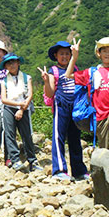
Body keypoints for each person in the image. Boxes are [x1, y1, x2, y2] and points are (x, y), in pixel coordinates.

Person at [66, 37, 109, 149]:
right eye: (104, 51)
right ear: (99, 53)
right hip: (99, 114)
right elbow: (68, 75)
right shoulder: (92, 72)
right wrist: (74, 57)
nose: (108, 54)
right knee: (104, 146)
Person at [39, 41, 88, 180]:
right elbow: (50, 93)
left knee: (75, 138)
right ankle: (59, 170)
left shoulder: (75, 68)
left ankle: (79, 171)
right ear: (56, 55)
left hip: (75, 107)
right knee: (58, 137)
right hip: (61, 106)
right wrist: (46, 81)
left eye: (67, 53)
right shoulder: (53, 71)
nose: (65, 56)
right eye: (62, 54)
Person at [0, 53, 43, 172]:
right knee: (9, 134)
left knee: (27, 134)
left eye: (14, 62)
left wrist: (21, 109)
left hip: (24, 107)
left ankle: (32, 160)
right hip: (9, 107)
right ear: (6, 66)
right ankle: (15, 160)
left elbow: (30, 95)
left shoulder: (26, 77)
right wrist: (19, 106)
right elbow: (3, 98)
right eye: (9, 63)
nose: (12, 65)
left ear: (18, 63)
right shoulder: (3, 81)